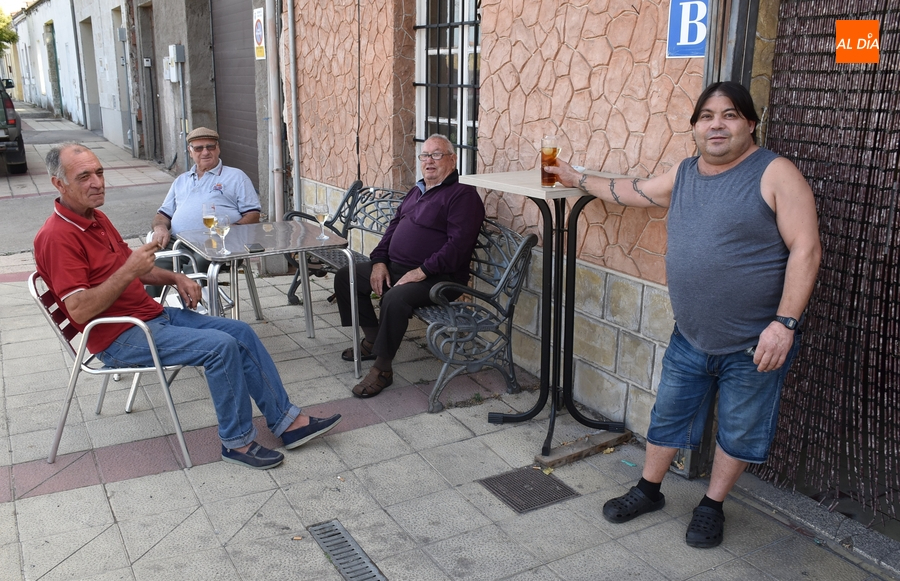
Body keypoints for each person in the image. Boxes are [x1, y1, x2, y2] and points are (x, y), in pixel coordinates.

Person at [545, 82, 821, 548]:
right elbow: (634, 191)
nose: (717, 124)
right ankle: (649, 490)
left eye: (729, 115)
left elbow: (806, 249)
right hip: (690, 334)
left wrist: (785, 323)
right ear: (694, 127)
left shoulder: (776, 173)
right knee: (668, 416)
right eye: (706, 116)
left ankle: (711, 506)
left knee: (738, 429)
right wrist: (575, 178)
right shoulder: (687, 171)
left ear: (750, 124)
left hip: (755, 342)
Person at [34, 143, 341, 470]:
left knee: (239, 331)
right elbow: (80, 311)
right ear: (59, 184)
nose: (97, 182)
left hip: (151, 317)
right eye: (84, 177)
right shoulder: (57, 237)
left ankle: (286, 422)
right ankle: (237, 443)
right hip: (118, 337)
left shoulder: (97, 218)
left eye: (99, 172)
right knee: (220, 347)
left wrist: (175, 277)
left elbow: (137, 268)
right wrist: (129, 271)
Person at [334, 134, 485, 398]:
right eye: (425, 155)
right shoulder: (417, 191)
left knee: (395, 298)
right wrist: (379, 261)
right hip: (398, 267)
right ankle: (372, 339)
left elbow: (458, 247)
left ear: (453, 159)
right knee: (347, 276)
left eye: (437, 154)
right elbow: (393, 228)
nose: (429, 161)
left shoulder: (463, 196)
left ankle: (383, 369)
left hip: (439, 278)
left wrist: (422, 271)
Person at [147, 127, 261, 294]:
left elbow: (253, 214)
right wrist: (160, 227)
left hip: (218, 243)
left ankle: (196, 310)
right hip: (178, 241)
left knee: (195, 268)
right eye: (199, 148)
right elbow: (162, 215)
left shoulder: (236, 176)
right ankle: (151, 313)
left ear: (218, 148)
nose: (205, 152)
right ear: (190, 151)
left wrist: (230, 230)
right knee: (149, 269)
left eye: (210, 147)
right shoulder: (181, 180)